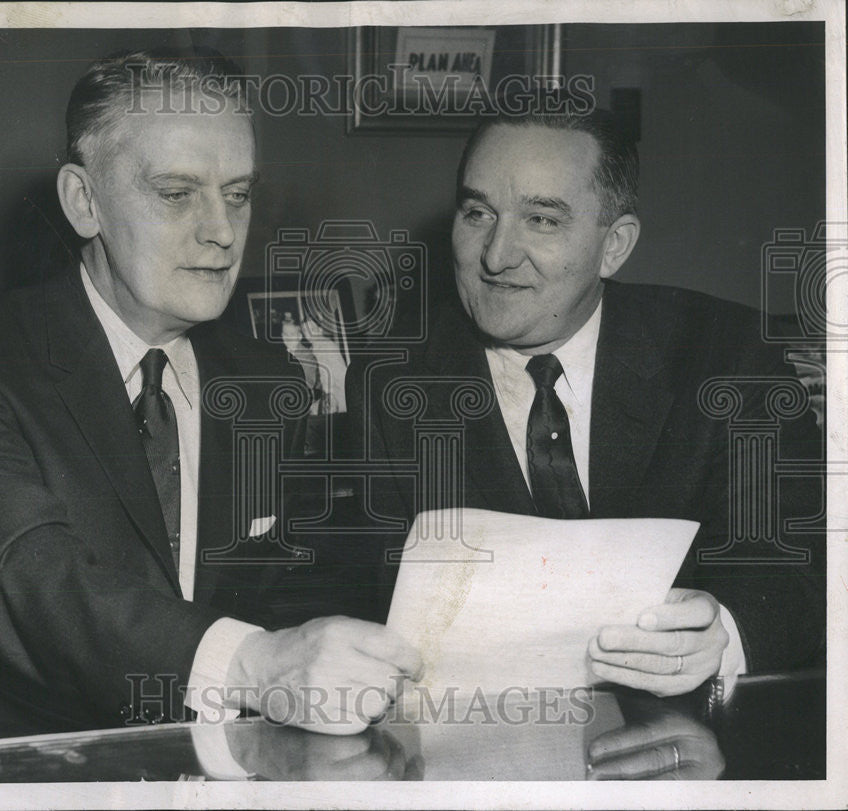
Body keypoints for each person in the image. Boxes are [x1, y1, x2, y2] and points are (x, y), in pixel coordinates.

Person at [0, 49, 421, 783]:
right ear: (83, 201)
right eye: (176, 193)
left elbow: (287, 588)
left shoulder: (264, 382)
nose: (222, 231)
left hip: (198, 766)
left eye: (238, 193)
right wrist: (254, 664)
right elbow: (20, 580)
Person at [347, 110, 824, 698]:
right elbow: (374, 600)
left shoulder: (728, 357)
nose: (496, 255)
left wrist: (721, 634)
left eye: (541, 220)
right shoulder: (389, 382)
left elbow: (797, 566)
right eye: (477, 214)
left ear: (613, 247)